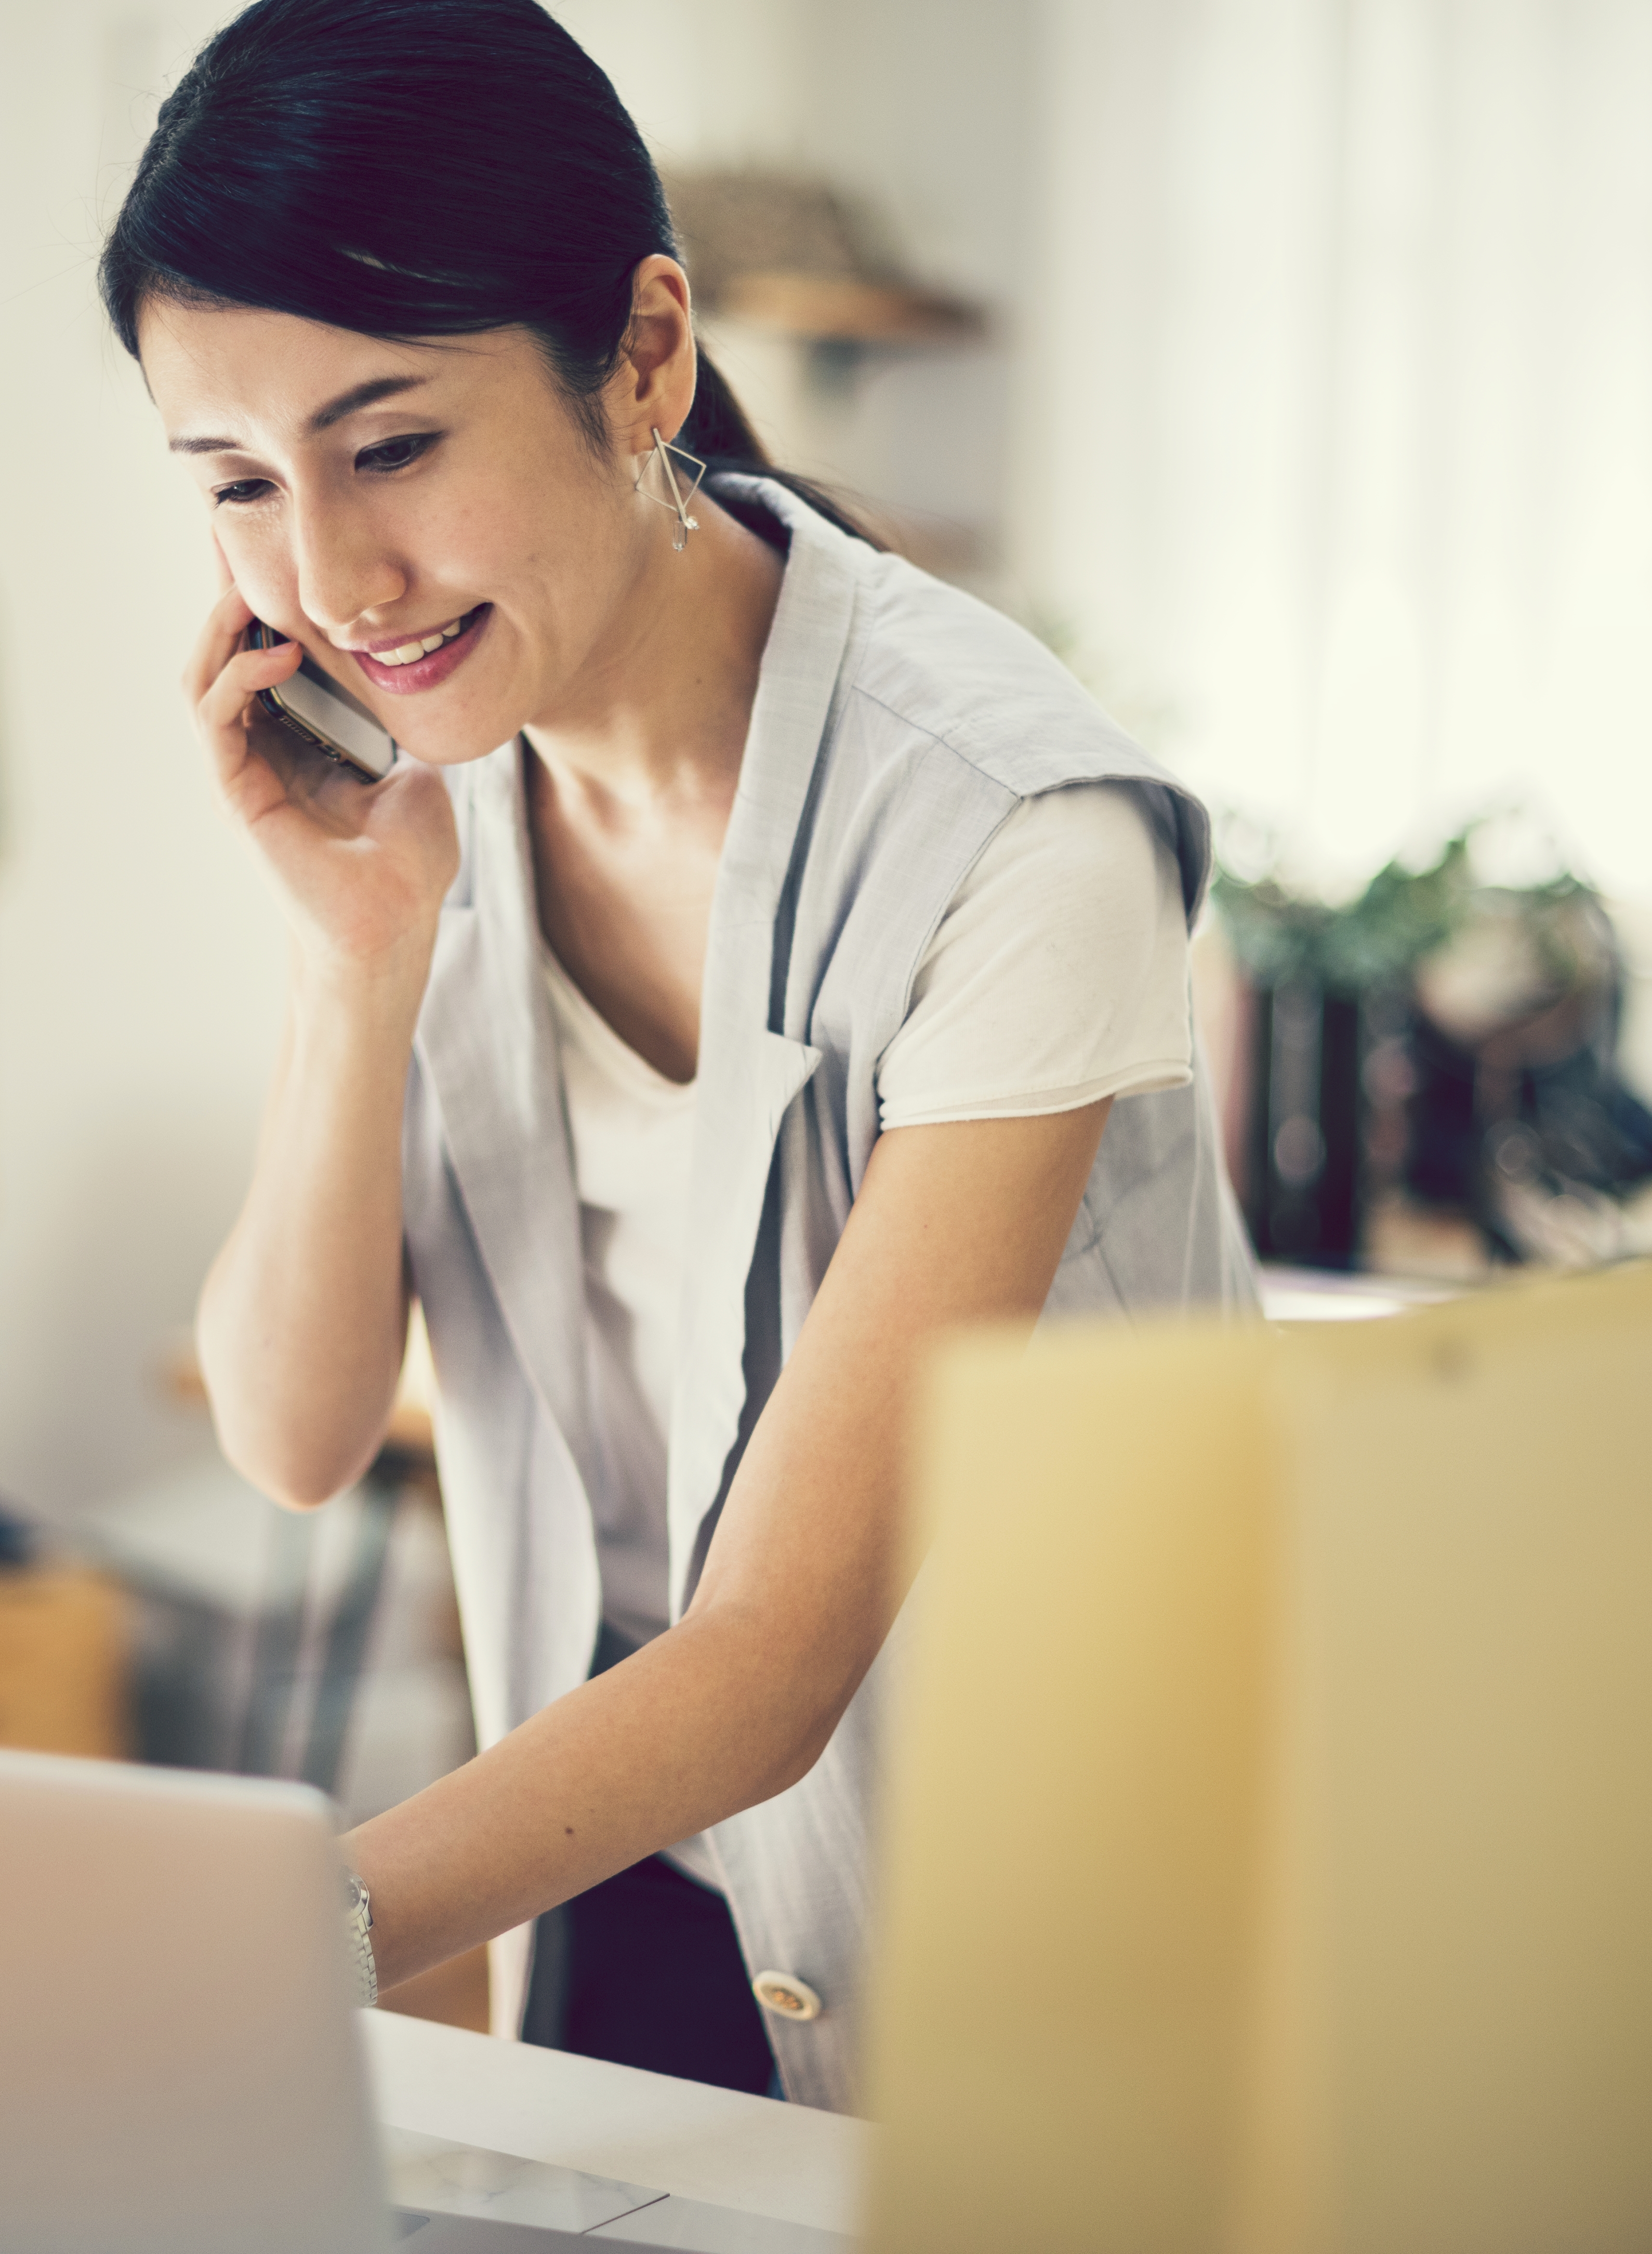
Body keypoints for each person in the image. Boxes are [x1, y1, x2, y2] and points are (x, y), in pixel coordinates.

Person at [105, 0, 1258, 2112]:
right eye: (239, 485)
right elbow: (291, 1429)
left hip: (1025, 1951)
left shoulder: (1010, 832)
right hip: (629, 1902)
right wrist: (356, 961)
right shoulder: (427, 788)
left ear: (644, 353)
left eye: (391, 446)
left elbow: (768, 1659)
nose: (331, 578)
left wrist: (265, 1941)